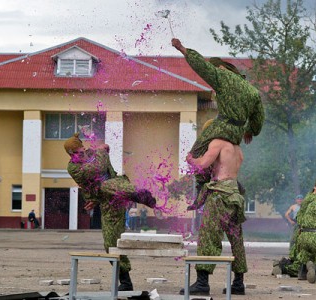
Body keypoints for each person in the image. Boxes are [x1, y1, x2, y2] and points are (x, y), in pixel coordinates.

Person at [171, 38, 264, 209]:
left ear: (220, 68)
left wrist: (183, 49)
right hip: (237, 132)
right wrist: (251, 131)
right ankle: (234, 184)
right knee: (226, 159)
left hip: (223, 126)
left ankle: (201, 189)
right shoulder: (252, 91)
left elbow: (201, 66)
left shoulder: (221, 76)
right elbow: (259, 117)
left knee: (197, 151)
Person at [64, 133, 157, 291]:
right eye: (77, 154)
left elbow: (105, 153)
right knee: (110, 242)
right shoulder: (73, 167)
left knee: (108, 185)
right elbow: (96, 169)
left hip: (119, 189)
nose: (81, 155)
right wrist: (102, 151)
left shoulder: (92, 153)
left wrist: (103, 148)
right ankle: (125, 281)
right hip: (107, 201)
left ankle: (140, 195)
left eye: (82, 151)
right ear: (71, 155)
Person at [179, 138, 247, 296]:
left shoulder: (218, 143)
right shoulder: (237, 149)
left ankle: (202, 282)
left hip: (219, 194)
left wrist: (190, 159)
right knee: (236, 239)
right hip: (234, 195)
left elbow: (202, 164)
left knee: (208, 236)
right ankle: (238, 282)